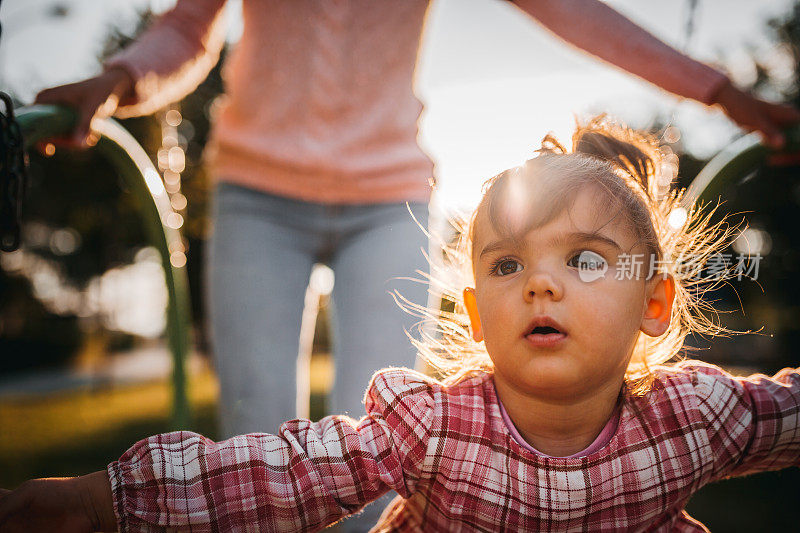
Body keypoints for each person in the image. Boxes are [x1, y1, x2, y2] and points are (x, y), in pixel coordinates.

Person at [30, 1, 800, 529]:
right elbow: (188, 29)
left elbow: (572, 11)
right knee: (271, 442)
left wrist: (722, 90)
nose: (541, 282)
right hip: (257, 191)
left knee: (383, 462)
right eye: (509, 269)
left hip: (387, 192)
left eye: (586, 261)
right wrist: (115, 80)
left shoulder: (697, 414)